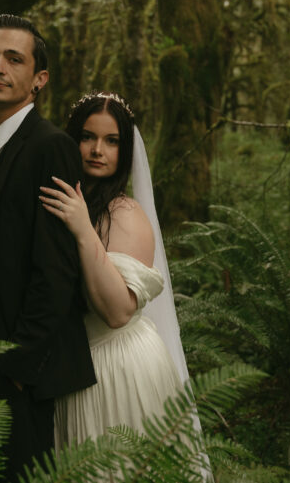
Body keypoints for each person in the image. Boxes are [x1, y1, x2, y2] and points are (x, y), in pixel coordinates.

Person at [0, 14, 96, 480]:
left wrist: (17, 368)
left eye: (13, 58)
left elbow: (56, 270)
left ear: (39, 79)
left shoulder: (52, 148)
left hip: (15, 374)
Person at [38, 91, 195, 448]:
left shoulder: (125, 213)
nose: (97, 150)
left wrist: (82, 229)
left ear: (125, 151)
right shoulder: (64, 200)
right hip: (74, 368)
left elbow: (117, 311)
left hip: (119, 368)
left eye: (112, 141)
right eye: (88, 137)